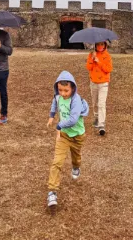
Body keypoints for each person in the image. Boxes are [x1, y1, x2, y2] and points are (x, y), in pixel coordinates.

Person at [46, 71, 89, 208]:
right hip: (63, 136)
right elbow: (55, 101)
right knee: (57, 162)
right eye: (60, 90)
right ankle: (52, 192)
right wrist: (52, 115)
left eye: (66, 90)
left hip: (77, 136)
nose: (63, 93)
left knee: (76, 158)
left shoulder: (75, 100)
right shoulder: (58, 96)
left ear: (73, 88)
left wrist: (59, 125)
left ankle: (76, 167)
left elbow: (73, 119)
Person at [86, 41, 113, 135]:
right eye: (98, 44)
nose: (100, 46)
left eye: (102, 44)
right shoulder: (91, 54)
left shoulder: (107, 56)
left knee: (101, 103)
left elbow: (108, 69)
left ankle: (101, 125)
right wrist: (92, 59)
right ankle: (97, 117)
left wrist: (99, 62)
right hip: (93, 82)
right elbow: (88, 67)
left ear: (105, 45)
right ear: (95, 45)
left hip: (103, 83)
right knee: (94, 103)